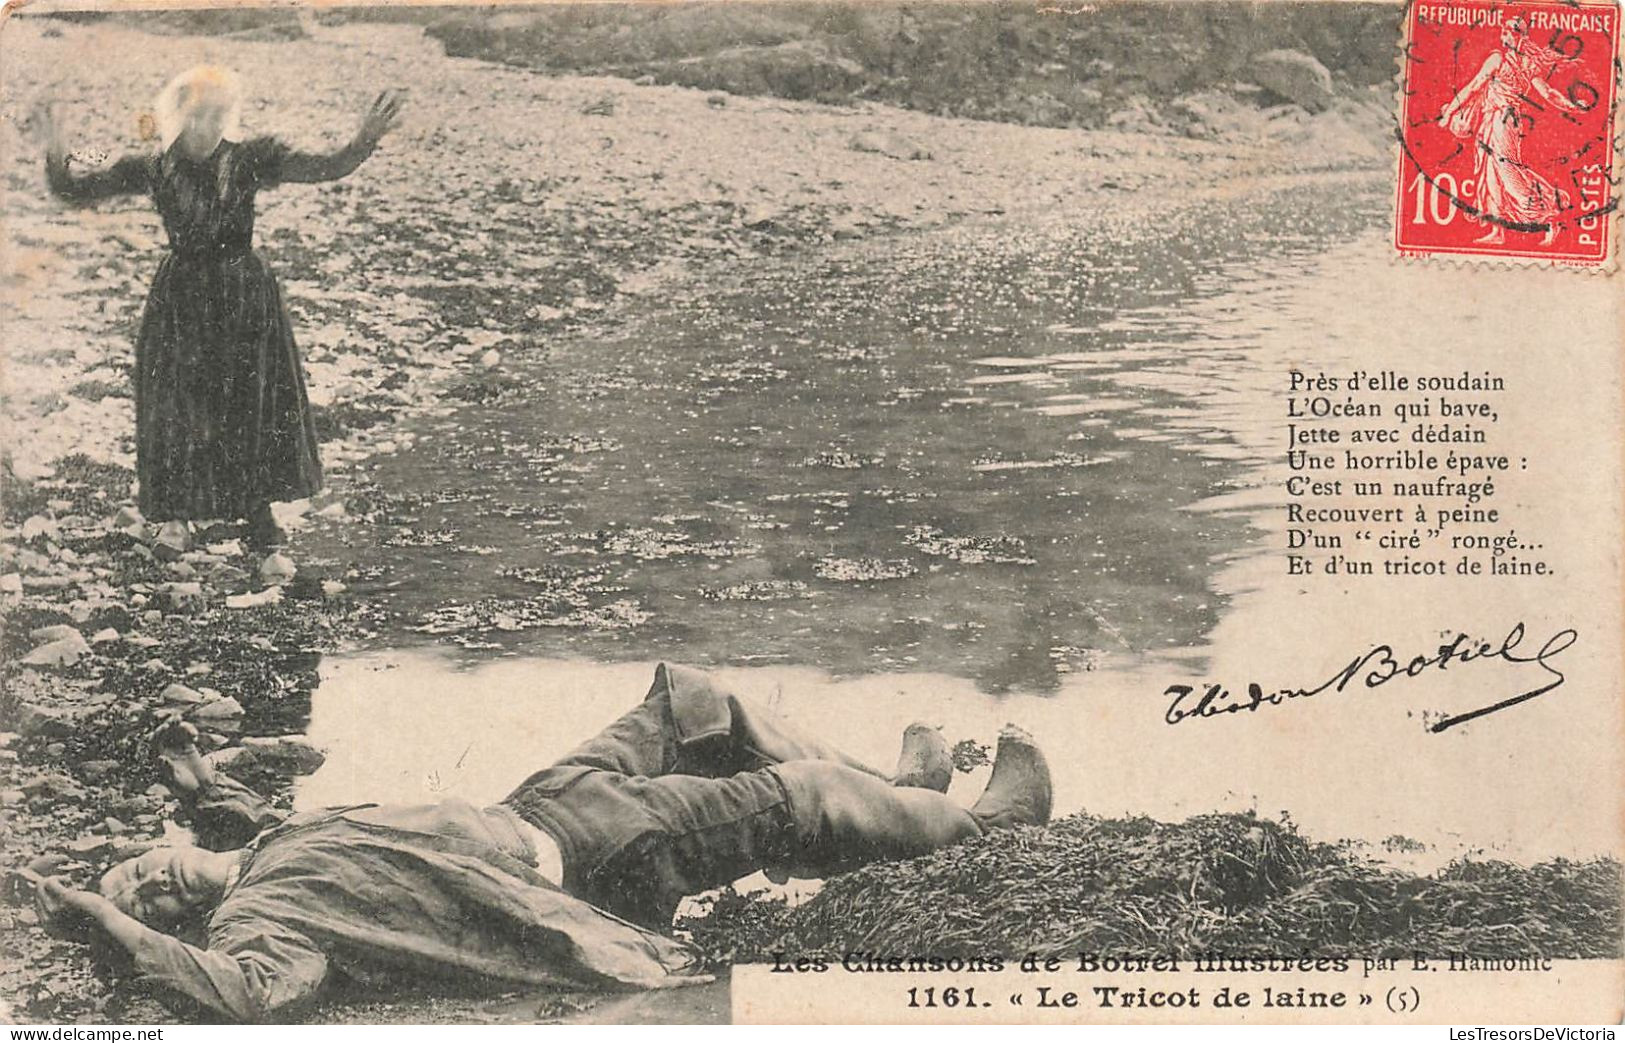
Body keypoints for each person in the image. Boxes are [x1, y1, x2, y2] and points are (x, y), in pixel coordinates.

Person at [35, 664, 1053, 1022]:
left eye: (143, 864)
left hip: (544, 799)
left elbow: (241, 821)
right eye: (152, 894)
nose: (154, 874)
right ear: (181, 919)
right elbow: (248, 994)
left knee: (691, 696)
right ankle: (981, 825)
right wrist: (112, 926)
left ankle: (895, 794)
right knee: (797, 792)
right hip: (593, 859)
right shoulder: (265, 923)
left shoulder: (266, 844)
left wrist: (205, 786)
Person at [38, 67, 406, 548]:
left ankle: (257, 513)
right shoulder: (154, 167)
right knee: (174, 404)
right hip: (182, 297)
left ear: (228, 118)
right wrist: (55, 150)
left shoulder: (251, 159)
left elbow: (327, 167)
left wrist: (364, 140)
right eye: (197, 114)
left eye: (217, 115)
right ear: (177, 114)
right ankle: (174, 516)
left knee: (249, 402)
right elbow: (73, 191)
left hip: (242, 295)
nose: (206, 126)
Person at [1437, 18, 1582, 246]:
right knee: (1490, 173)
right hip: (1493, 119)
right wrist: (1572, 106)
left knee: (1508, 173)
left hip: (1503, 121)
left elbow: (1474, 86)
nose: (1502, 36)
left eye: (1506, 32)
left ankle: (1551, 214)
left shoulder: (1508, 61)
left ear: (1516, 35)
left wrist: (1448, 114)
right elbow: (1548, 94)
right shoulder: (1519, 62)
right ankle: (1498, 231)